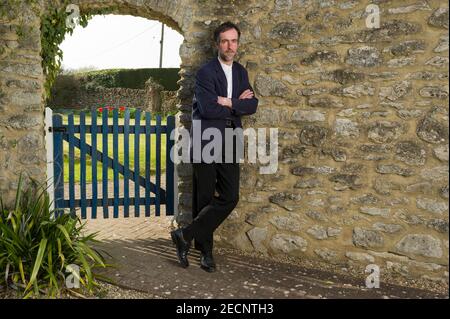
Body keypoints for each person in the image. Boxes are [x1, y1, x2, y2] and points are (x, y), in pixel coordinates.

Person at [170, 21, 258, 272]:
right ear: (217, 44)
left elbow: (252, 105)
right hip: (206, 139)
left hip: (230, 139)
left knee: (230, 196)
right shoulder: (206, 72)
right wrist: (235, 103)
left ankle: (184, 235)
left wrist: (225, 101)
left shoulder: (240, 72)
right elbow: (207, 109)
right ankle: (206, 253)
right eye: (225, 41)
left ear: (238, 43)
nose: (230, 46)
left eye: (234, 41)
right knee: (205, 197)